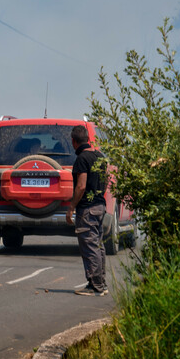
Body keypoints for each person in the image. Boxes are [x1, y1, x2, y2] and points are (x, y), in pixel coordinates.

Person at [66, 125, 108, 296]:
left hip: (88, 209)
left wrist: (71, 207)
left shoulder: (82, 159)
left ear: (73, 141)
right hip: (100, 206)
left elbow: (81, 186)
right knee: (98, 245)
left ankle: (95, 286)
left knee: (90, 246)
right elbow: (105, 182)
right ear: (88, 140)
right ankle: (101, 284)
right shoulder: (100, 157)